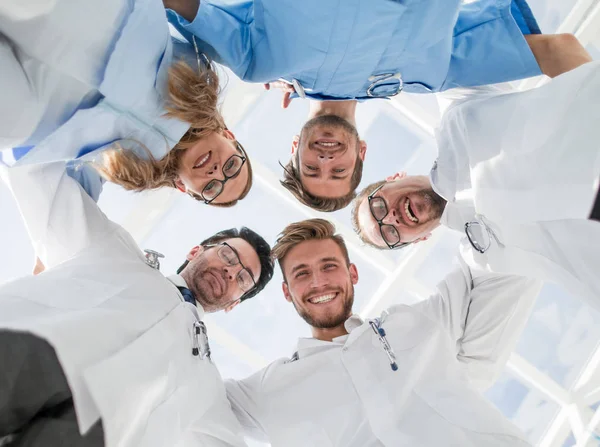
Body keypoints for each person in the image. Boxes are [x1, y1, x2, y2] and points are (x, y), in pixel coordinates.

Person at [166, 0, 590, 211]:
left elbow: (183, 6)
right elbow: (556, 51)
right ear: (361, 152)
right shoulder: (432, 75)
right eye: (339, 170)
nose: (326, 160)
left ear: (296, 143)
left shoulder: (256, 63)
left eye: (312, 168)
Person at [0, 160, 274, 446]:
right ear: (196, 251)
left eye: (243, 279)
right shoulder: (112, 248)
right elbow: (41, 179)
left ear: (234, 304)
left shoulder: (207, 388)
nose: (231, 271)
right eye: (229, 256)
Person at [225, 218, 542, 446]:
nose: (318, 282)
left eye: (329, 266)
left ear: (353, 273)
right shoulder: (268, 390)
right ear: (286, 291)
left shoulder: (412, 323)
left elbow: (494, 262)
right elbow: (187, 393)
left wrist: (442, 209)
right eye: (302, 273)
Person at [351, 55, 600, 311]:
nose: (391, 219)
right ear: (418, 240)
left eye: (379, 207)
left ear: (395, 178)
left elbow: (550, 49)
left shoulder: (456, 111)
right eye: (390, 234)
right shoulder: (484, 260)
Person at [0, 0, 252, 207]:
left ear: (183, 188)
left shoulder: (132, 170)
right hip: (99, 28)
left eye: (212, 188)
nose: (217, 173)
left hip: (42, 116)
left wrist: (52, 250)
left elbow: (73, 204)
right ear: (229, 135)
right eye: (231, 165)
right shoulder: (201, 77)